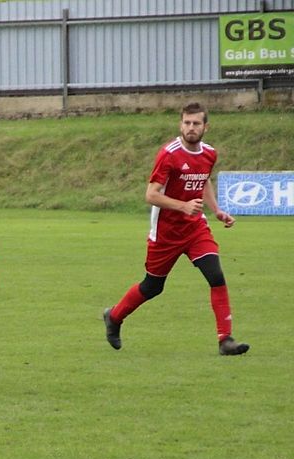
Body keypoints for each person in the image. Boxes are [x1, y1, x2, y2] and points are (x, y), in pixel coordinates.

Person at [103, 102, 248, 355]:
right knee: (152, 287)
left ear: (206, 127)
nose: (191, 128)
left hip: (194, 229)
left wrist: (216, 211)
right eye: (187, 123)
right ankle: (114, 317)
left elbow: (204, 182)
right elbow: (151, 195)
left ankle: (225, 340)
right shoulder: (169, 154)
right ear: (181, 124)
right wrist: (182, 206)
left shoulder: (209, 154)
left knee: (216, 276)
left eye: (196, 123)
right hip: (166, 233)